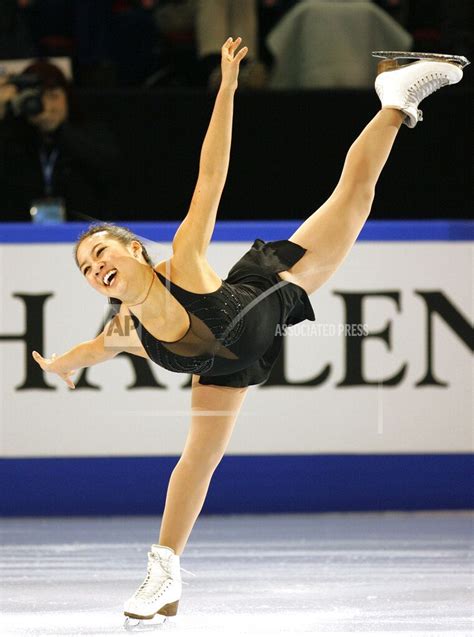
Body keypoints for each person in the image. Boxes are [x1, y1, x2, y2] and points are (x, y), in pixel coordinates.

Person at [32, 38, 465, 625]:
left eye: (102, 252)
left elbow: (212, 174)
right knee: (197, 462)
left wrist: (228, 88)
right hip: (225, 370)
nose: (95, 268)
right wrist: (61, 364)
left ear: (134, 249)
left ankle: (394, 99)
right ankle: (163, 572)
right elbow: (95, 349)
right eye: (86, 268)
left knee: (354, 196)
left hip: (273, 286)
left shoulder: (182, 258)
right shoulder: (129, 325)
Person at [0, 60, 120, 221]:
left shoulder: (89, 131)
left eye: (53, 96)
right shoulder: (12, 137)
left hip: (81, 229)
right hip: (19, 231)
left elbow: (109, 168)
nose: (47, 106)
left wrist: (60, 131)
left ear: (67, 97)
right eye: (38, 98)